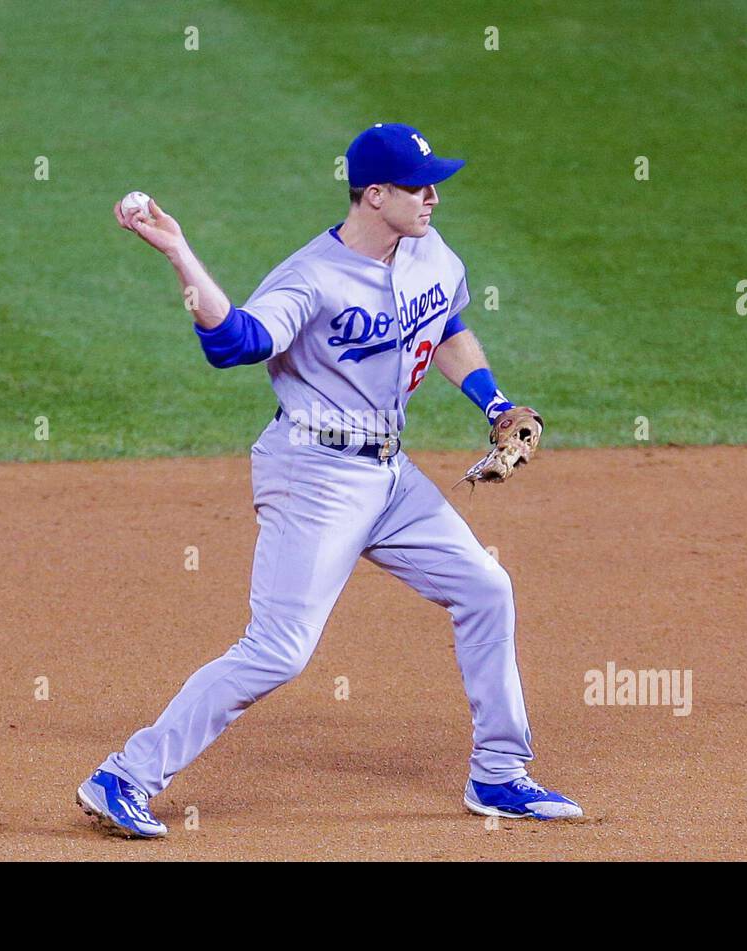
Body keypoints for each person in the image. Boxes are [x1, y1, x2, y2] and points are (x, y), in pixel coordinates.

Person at [77, 123, 582, 838]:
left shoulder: (429, 249)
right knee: (280, 649)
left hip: (389, 475)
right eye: (418, 185)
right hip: (313, 472)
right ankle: (123, 775)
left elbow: (448, 323)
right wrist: (179, 252)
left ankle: (499, 773)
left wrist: (494, 403)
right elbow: (235, 344)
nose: (434, 195)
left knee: (485, 588)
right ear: (374, 195)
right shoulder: (311, 276)